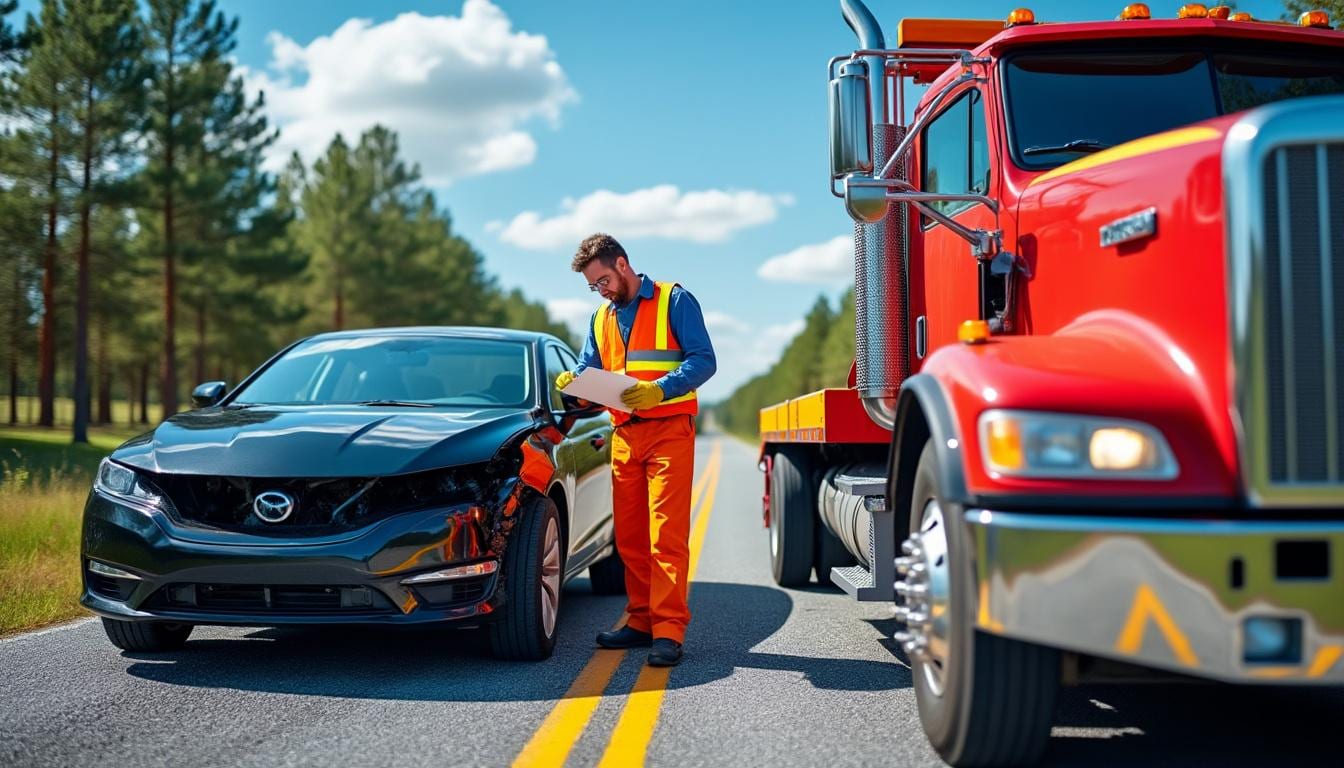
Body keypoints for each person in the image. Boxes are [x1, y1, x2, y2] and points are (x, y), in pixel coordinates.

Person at [554, 233, 716, 667]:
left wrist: (660, 391)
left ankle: (668, 631)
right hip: (624, 435)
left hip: (668, 431)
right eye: (594, 286)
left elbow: (704, 360)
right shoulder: (601, 318)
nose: (601, 290)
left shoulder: (674, 300)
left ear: (622, 264)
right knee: (629, 538)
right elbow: (592, 372)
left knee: (666, 536)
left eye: (603, 280)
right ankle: (640, 619)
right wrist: (575, 386)